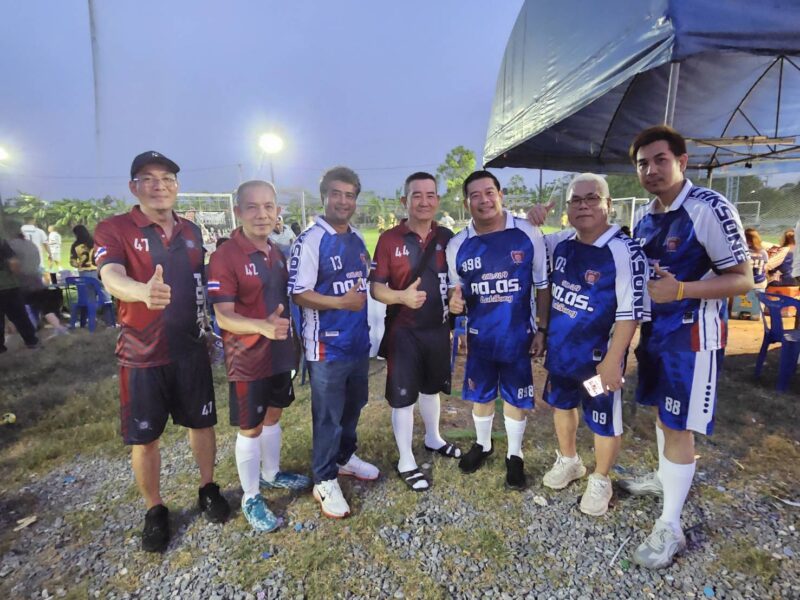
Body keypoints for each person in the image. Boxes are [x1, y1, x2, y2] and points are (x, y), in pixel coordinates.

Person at [618, 126, 752, 568]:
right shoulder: (646, 215)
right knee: (663, 414)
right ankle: (665, 478)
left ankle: (670, 526)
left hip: (692, 338)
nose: (651, 170)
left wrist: (681, 291)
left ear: (682, 161)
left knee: (678, 425)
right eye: (643, 163)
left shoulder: (708, 207)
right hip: (657, 334)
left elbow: (743, 279)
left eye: (660, 160)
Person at [94, 151, 230, 553]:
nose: (159, 186)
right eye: (149, 179)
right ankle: (154, 508)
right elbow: (110, 275)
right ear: (133, 187)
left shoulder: (190, 231)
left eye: (167, 178)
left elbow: (199, 286)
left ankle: (208, 487)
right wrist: (140, 291)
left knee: (202, 424)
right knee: (146, 438)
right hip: (142, 353)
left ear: (177, 186)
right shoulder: (115, 228)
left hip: (190, 349)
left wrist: (209, 328)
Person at [540, 173, 650, 516]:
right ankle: (570, 460)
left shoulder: (623, 251)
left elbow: (630, 312)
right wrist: (531, 219)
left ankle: (601, 478)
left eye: (592, 198)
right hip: (562, 353)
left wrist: (614, 359)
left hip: (597, 361)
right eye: (576, 200)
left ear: (608, 204)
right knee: (562, 405)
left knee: (603, 418)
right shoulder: (561, 243)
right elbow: (525, 241)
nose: (583, 205)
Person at [208, 180, 311, 532]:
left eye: (268, 206)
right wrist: (261, 327)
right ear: (238, 211)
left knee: (274, 414)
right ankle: (251, 495)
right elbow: (223, 316)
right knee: (250, 426)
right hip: (247, 357)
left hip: (280, 352)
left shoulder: (278, 253)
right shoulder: (225, 256)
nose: (262, 214)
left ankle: (271, 472)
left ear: (277, 211)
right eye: (252, 207)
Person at [446, 170, 549, 491]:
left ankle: (514, 455)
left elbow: (543, 285)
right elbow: (454, 292)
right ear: (467, 202)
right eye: (475, 195)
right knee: (481, 394)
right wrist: (455, 309)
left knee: (516, 397)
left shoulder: (527, 232)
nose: (484, 200)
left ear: (500, 194)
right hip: (480, 337)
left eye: (489, 192)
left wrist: (542, 329)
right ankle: (483, 444)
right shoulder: (457, 245)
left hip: (518, 334)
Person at [288, 166, 380, 519]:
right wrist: (341, 303)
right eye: (337, 194)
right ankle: (324, 479)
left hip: (357, 342)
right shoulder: (311, 239)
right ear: (324, 196)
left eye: (350, 195)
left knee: (354, 406)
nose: (344, 201)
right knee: (328, 416)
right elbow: (299, 293)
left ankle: (344, 458)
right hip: (325, 346)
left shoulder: (356, 238)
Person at [370, 172, 461, 492]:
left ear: (438, 199)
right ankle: (406, 459)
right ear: (404, 200)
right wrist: (401, 297)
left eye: (430, 195)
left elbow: (457, 280)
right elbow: (375, 288)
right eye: (417, 195)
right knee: (403, 397)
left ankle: (433, 438)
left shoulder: (448, 237)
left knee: (431, 389)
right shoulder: (389, 239)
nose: (424, 201)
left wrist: (457, 299)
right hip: (404, 332)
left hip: (438, 329)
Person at [8, 234, 69, 337]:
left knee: (18, 308)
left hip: (24, 284)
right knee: (42, 306)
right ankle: (57, 327)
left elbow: (13, 266)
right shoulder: (30, 245)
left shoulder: (12, 246)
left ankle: (19, 332)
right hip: (37, 282)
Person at [0, 234, 40, 352]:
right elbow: (13, 262)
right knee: (19, 315)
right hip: (8, 285)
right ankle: (31, 341)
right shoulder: (2, 243)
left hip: (7, 285)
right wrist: (18, 275)